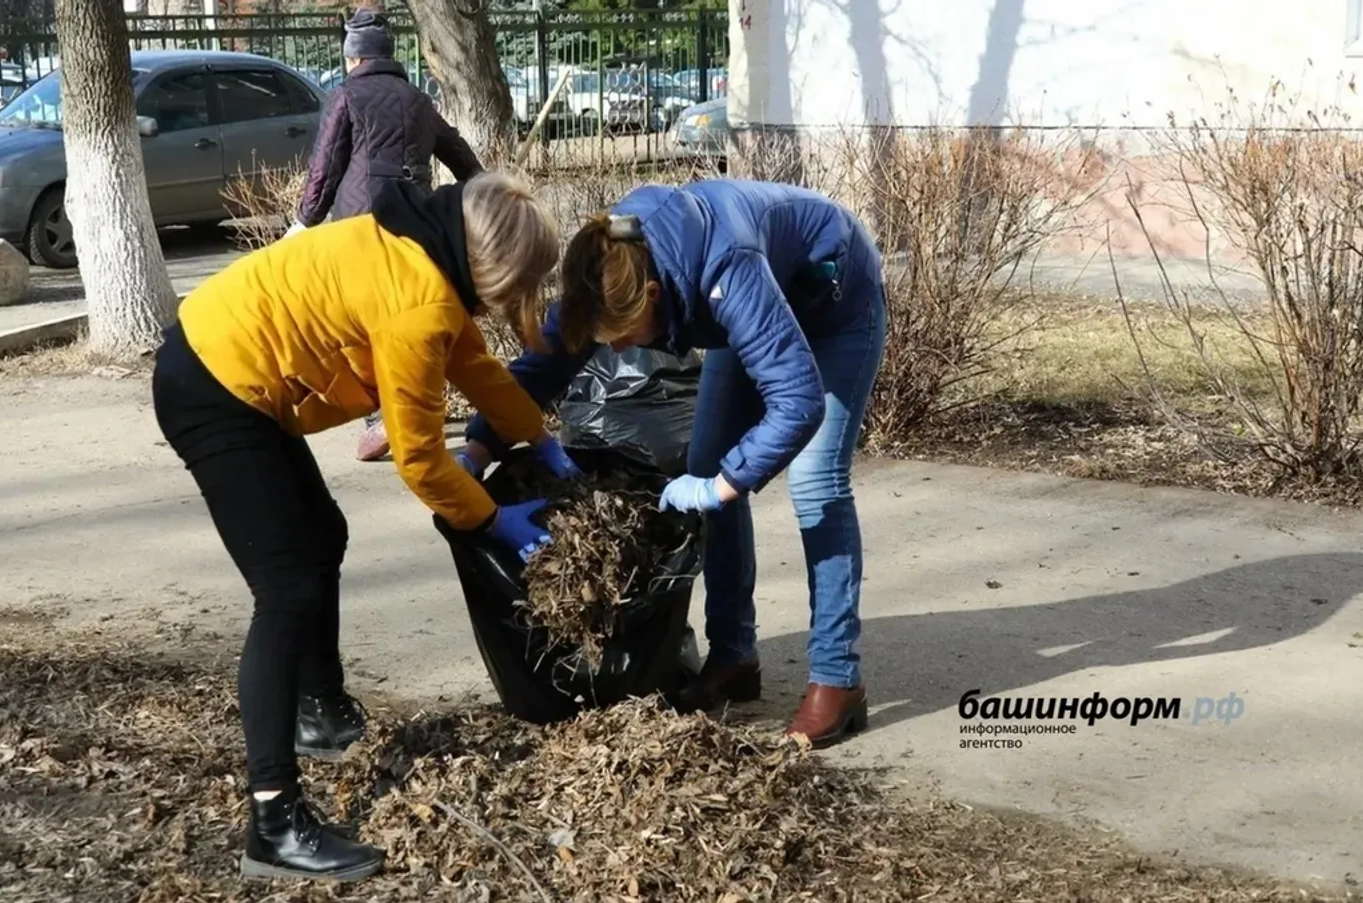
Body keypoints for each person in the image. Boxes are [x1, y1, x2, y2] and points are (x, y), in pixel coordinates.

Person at [151, 170, 583, 882]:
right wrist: (490, 519)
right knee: (285, 590)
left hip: (225, 359)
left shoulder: (422, 248)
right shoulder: (419, 300)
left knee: (323, 536)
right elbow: (419, 459)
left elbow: (475, 366)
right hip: (215, 387)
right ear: (500, 270)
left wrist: (539, 438)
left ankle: (319, 709)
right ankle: (273, 823)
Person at [458, 179, 888, 749]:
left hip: (833, 299)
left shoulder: (727, 268)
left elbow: (798, 401)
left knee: (815, 482)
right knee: (706, 460)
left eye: (621, 338)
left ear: (655, 294)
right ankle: (734, 656)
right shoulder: (604, 265)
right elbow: (542, 367)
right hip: (756, 304)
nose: (615, 351)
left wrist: (724, 487)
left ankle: (837, 679)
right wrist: (478, 447)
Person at [283, 4, 487, 464]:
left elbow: (325, 169)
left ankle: (381, 415)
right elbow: (461, 155)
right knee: (410, 318)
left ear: (354, 57)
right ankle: (418, 403)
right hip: (416, 227)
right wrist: (480, 195)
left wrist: (305, 220)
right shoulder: (417, 100)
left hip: (359, 229)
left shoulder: (345, 97)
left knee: (361, 324)